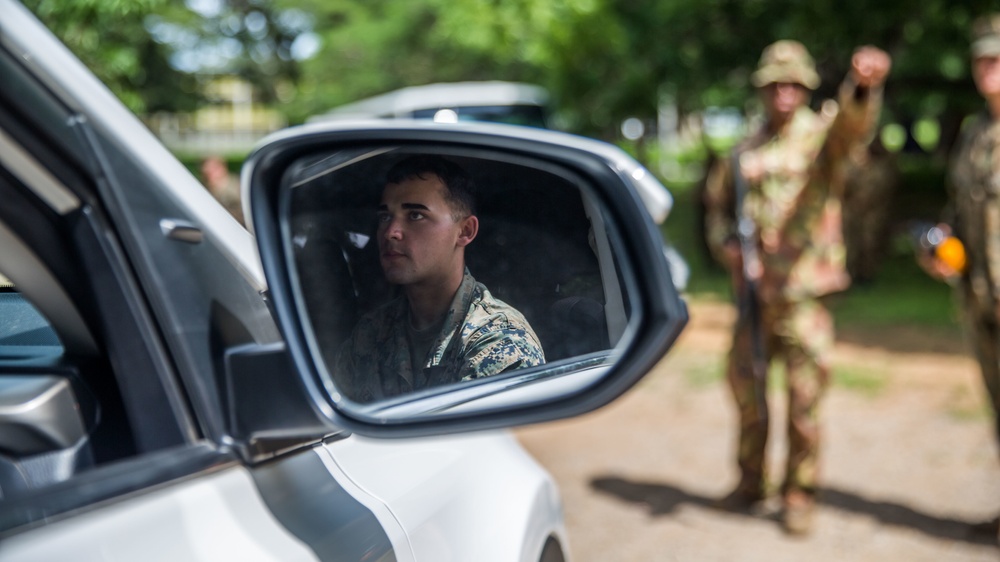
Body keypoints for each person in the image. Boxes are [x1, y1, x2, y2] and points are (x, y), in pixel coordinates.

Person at [704, 40, 891, 534]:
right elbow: (718, 209)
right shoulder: (745, 149)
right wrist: (725, 246)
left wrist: (864, 86)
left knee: (805, 400)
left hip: (803, 295)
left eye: (793, 84)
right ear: (763, 90)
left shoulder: (821, 138)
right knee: (748, 392)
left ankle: (798, 492)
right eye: (774, 84)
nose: (783, 92)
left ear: (806, 89)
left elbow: (854, 125)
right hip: (752, 297)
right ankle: (751, 483)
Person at [334, 155, 545, 403]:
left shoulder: (499, 339)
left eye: (415, 215)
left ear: (465, 231)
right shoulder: (370, 333)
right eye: (384, 217)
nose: (391, 232)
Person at [919, 14, 1000, 541]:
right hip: (982, 302)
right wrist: (943, 241)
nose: (989, 68)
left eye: (998, 57)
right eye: (982, 59)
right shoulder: (975, 134)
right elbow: (964, 210)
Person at [199, 155, 244, 225]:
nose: (210, 176)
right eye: (206, 173)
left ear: (222, 168)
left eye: (213, 170)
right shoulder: (204, 191)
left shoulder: (238, 186)